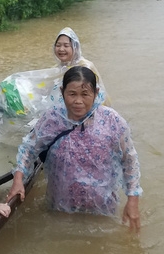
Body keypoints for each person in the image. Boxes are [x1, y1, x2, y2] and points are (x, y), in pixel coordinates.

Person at [7, 66, 142, 232]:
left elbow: (129, 160)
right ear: (62, 92)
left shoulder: (112, 121)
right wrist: (18, 179)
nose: (78, 101)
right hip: (61, 206)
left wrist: (133, 200)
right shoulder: (52, 118)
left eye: (85, 94)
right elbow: (28, 148)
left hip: (102, 207)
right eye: (72, 94)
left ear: (96, 92)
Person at [0, 27, 109, 145]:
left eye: (66, 45)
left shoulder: (85, 67)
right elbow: (43, 89)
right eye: (58, 45)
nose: (61, 49)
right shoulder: (57, 69)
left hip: (83, 116)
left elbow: (95, 96)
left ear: (75, 47)